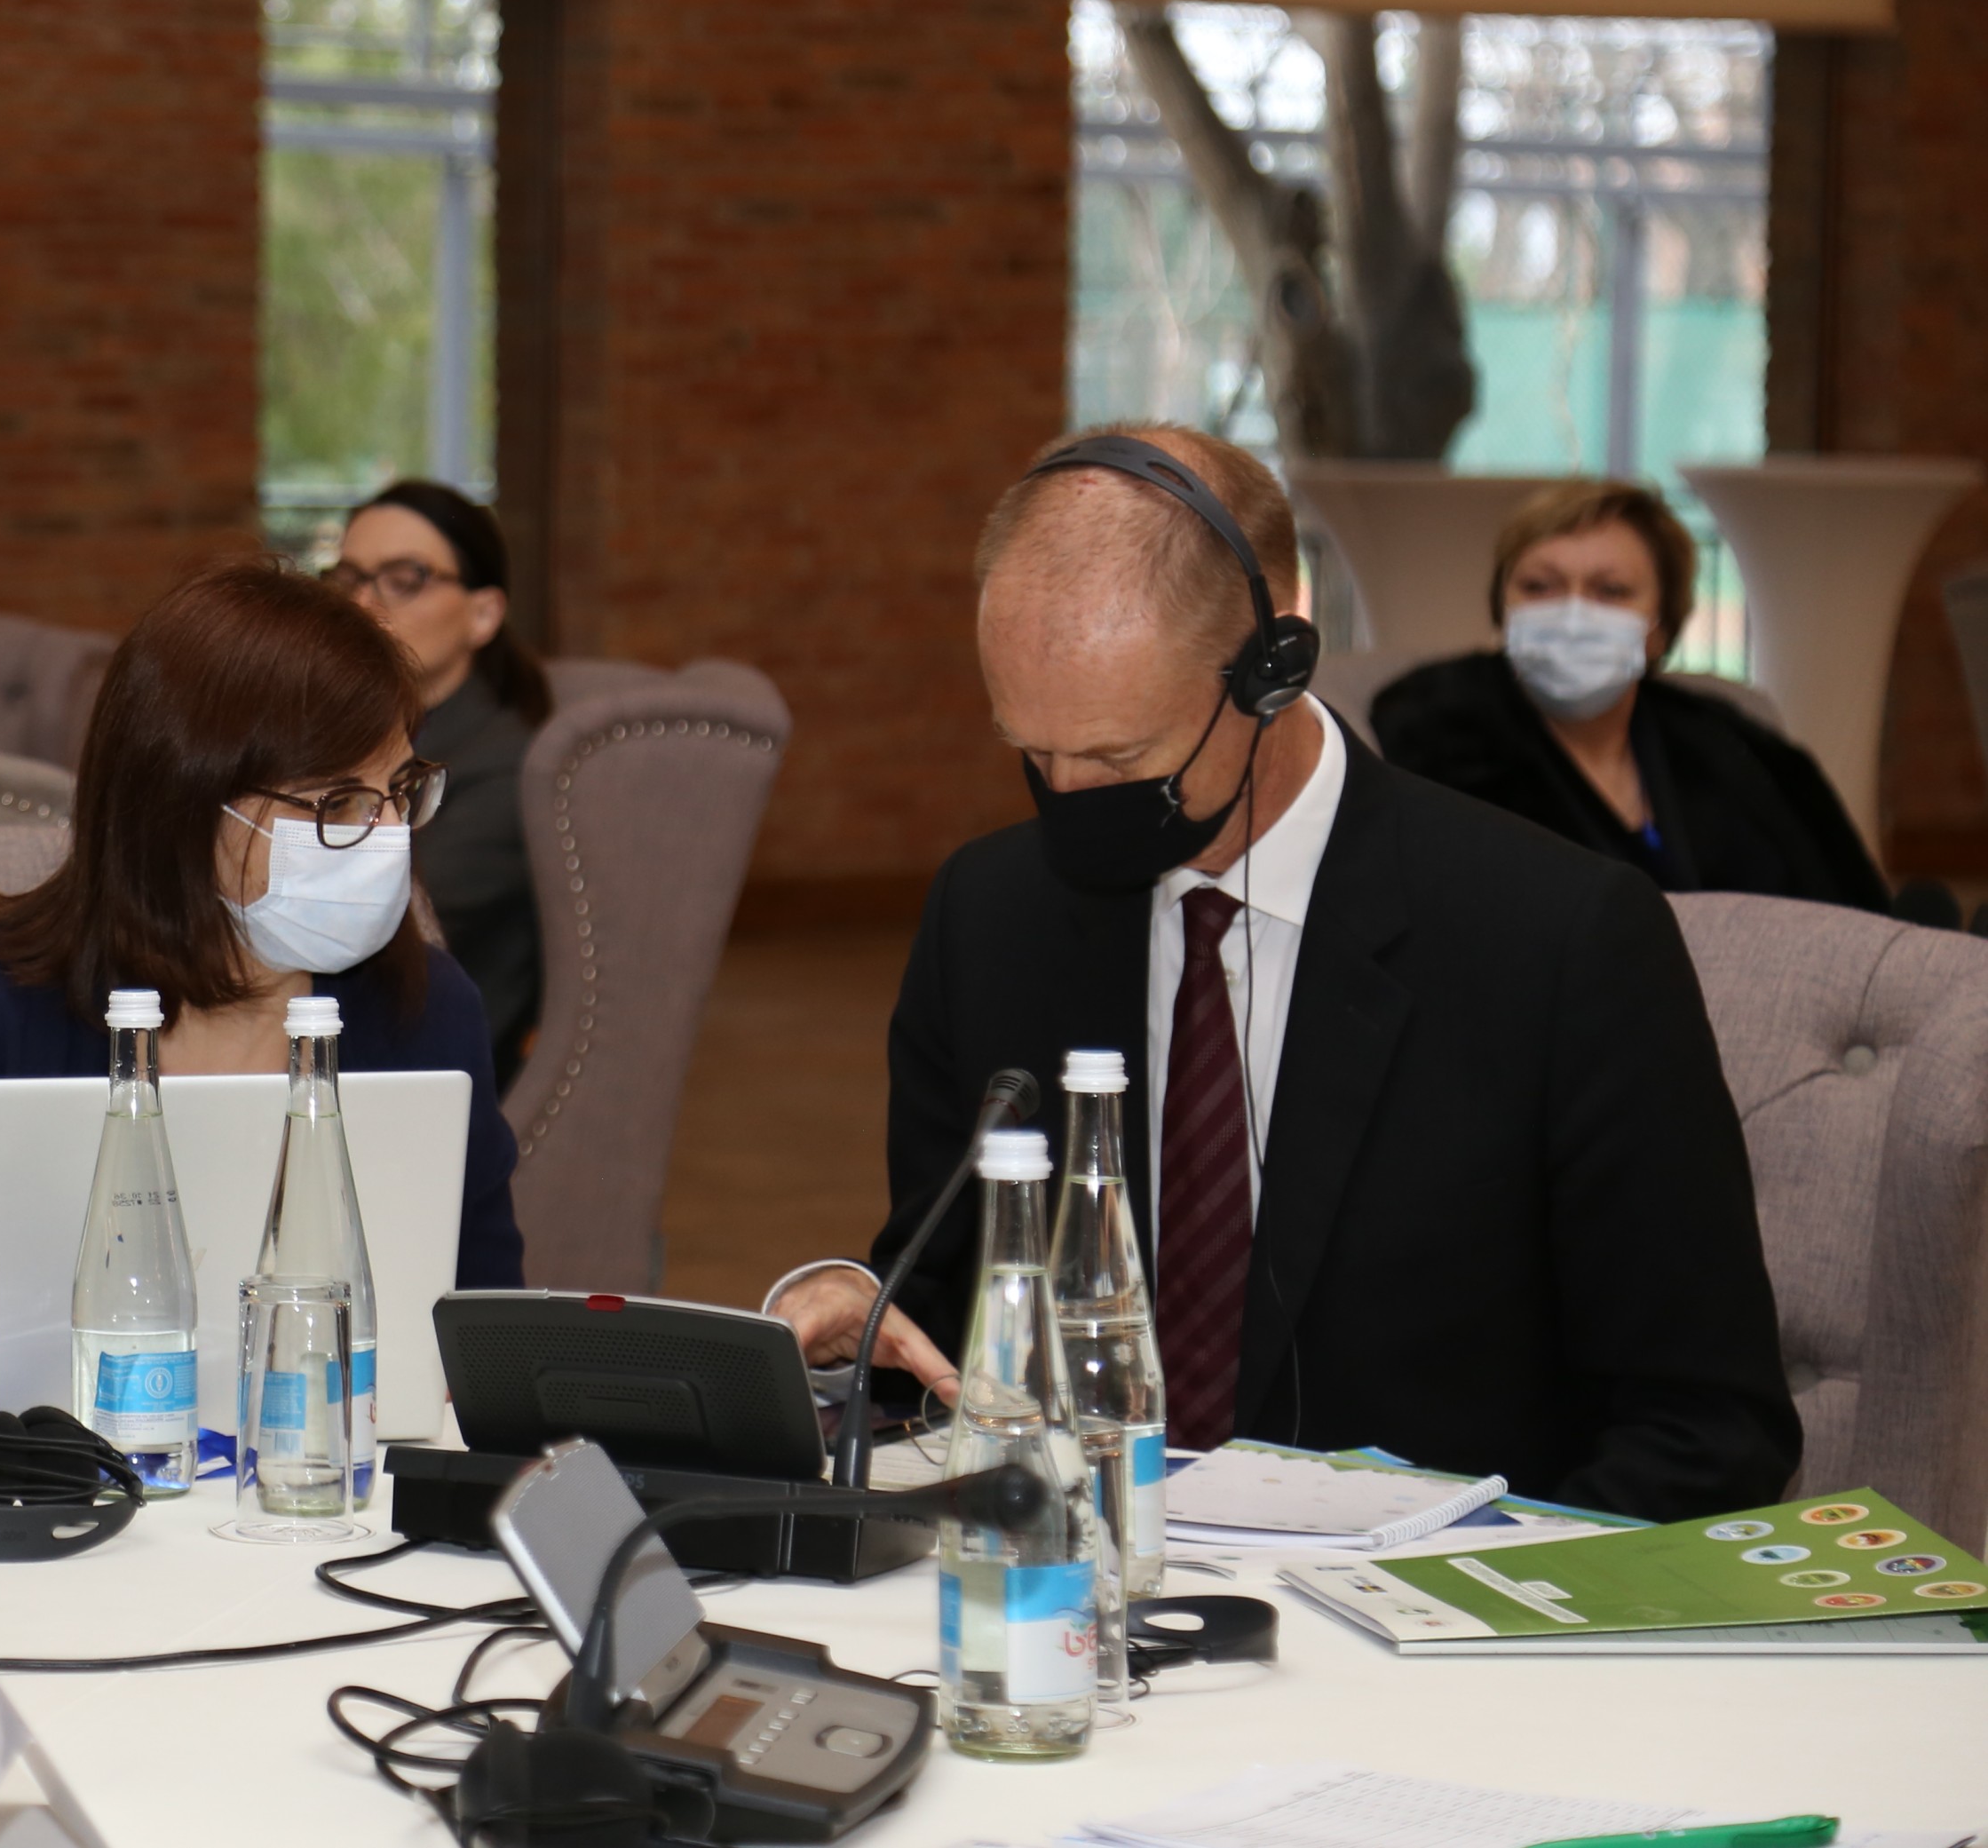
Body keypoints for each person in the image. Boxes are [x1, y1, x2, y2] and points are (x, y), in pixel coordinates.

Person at [765, 426, 1796, 1524]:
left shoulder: (1558, 938)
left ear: (1272, 670)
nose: (1066, 799)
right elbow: (944, 1319)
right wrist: (840, 1323)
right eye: (1029, 750)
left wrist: (1483, 1591)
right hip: (1076, 1582)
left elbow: (1707, 1428)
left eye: (1117, 759)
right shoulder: (989, 916)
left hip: (1437, 1598)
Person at [0, 559, 528, 1356]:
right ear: (186, 804)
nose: (389, 835)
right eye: (342, 804)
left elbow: (486, 1335)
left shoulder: (427, 1010)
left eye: (401, 790)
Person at [1373, 480, 1898, 915]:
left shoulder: (1723, 742)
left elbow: (1839, 906)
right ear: (1501, 608)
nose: (1573, 616)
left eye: (1611, 591)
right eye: (1539, 587)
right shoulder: (1436, 728)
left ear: (1659, 629)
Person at [329, 482, 553, 1094]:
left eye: (405, 579)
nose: (363, 602)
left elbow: (375, 921)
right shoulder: (351, 740)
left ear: (484, 614)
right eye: (348, 577)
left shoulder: (509, 767)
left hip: (426, 1072)